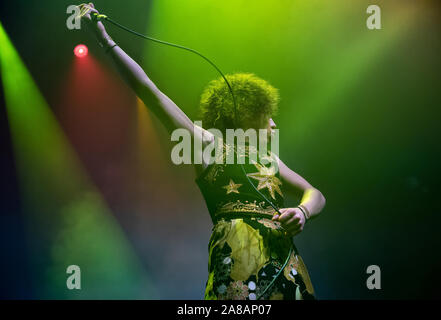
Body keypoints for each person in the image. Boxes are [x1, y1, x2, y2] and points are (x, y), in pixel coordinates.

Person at [79, 3, 326, 300]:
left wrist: (302, 211)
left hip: (287, 266)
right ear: (248, 116)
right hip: (237, 262)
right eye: (267, 117)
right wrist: (106, 40)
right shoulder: (207, 145)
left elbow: (315, 193)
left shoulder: (268, 159)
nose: (274, 125)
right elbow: (151, 93)